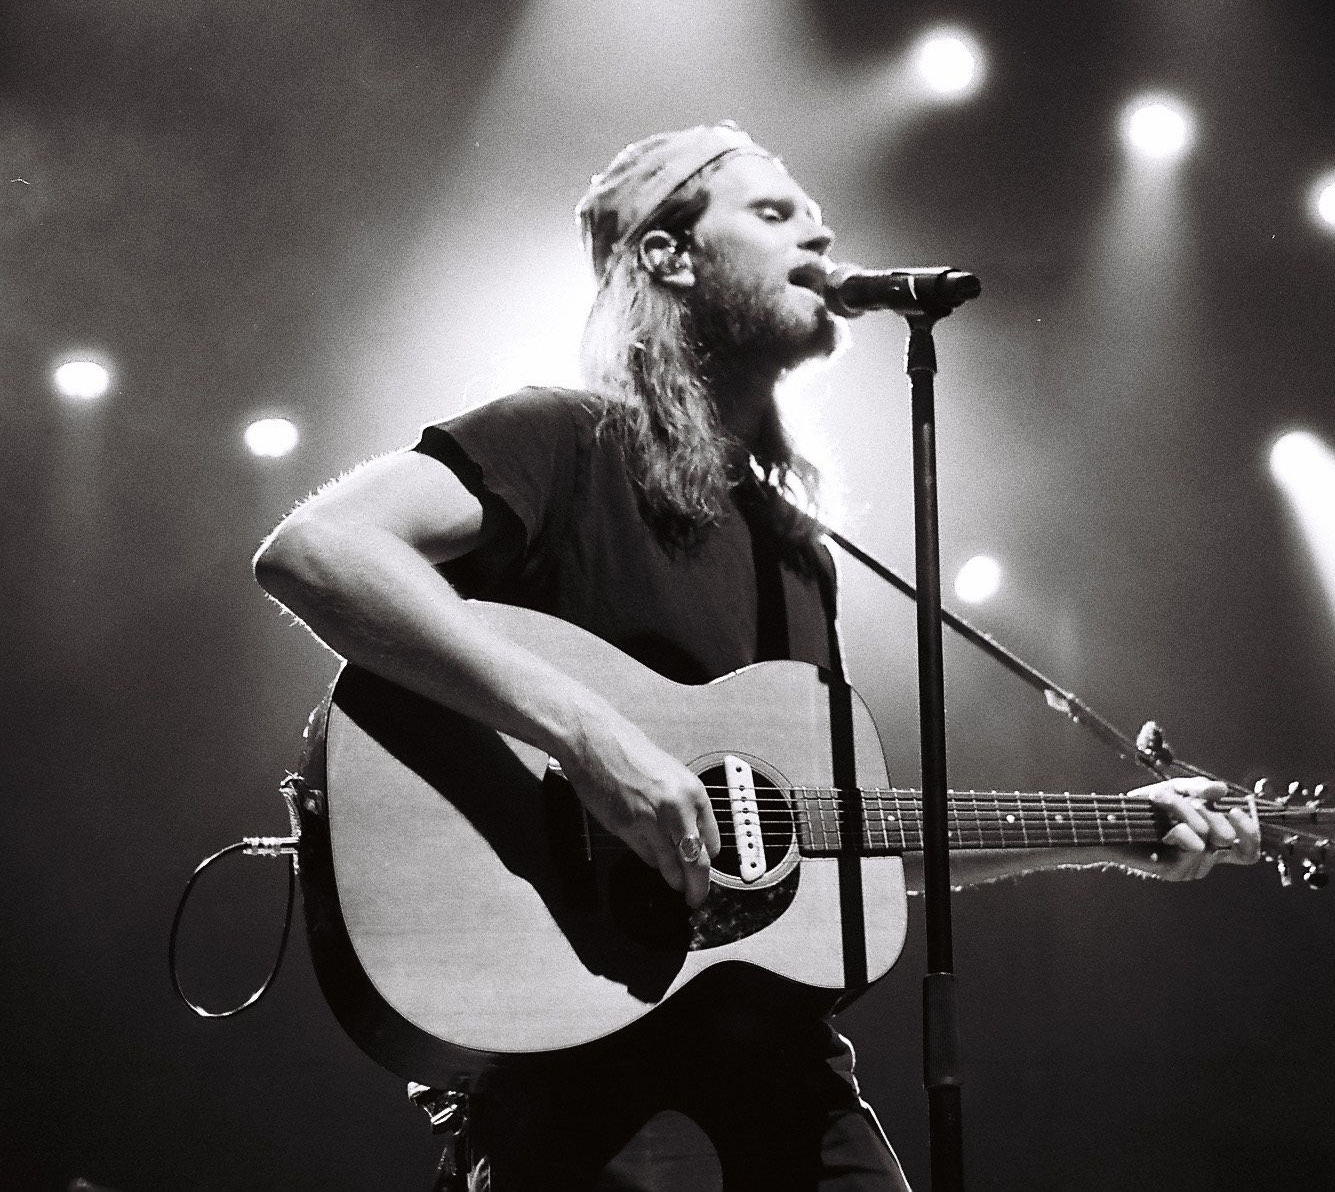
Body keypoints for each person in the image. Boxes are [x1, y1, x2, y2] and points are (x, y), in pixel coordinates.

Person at [253, 121, 1261, 1190]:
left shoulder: (793, 550)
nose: (821, 234)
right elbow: (317, 550)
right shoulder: (561, 441)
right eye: (776, 213)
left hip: (792, 1085)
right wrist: (597, 742)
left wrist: (1114, 834)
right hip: (596, 1080)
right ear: (668, 256)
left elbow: (812, 845)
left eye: (817, 217)